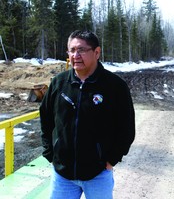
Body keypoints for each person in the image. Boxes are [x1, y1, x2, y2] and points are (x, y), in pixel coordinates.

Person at [39, 30, 135, 199]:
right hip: (63, 176)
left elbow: (126, 128)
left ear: (97, 52)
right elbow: (45, 119)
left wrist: (112, 159)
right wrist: (50, 153)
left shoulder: (115, 86)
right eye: (72, 50)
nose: (75, 55)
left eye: (81, 50)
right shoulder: (59, 84)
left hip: (98, 174)